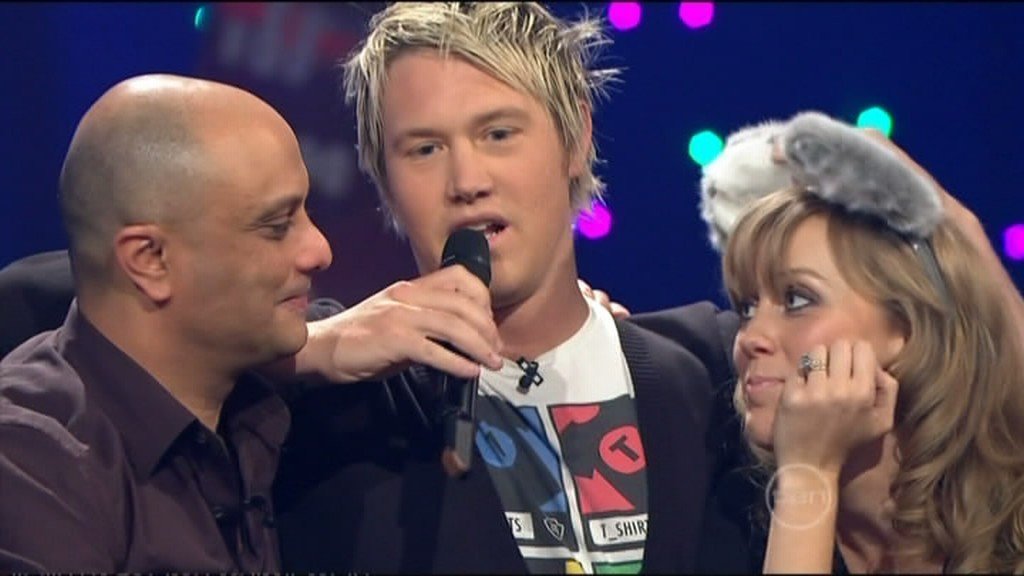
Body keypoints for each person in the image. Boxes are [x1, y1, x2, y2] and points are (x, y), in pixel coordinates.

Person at [271, 2, 742, 573]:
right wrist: (316, 350)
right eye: (425, 149)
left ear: (575, 138)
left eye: (498, 134)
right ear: (383, 179)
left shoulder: (709, 371)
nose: (467, 181)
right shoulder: (329, 398)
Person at [0, 73, 336, 571]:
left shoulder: (255, 406)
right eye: (277, 226)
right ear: (150, 259)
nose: (319, 251)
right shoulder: (30, 466)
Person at [709, 111, 1024, 572]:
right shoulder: (719, 517)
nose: (750, 337)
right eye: (747, 307)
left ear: (909, 327)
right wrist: (808, 478)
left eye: (797, 299)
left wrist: (947, 217)